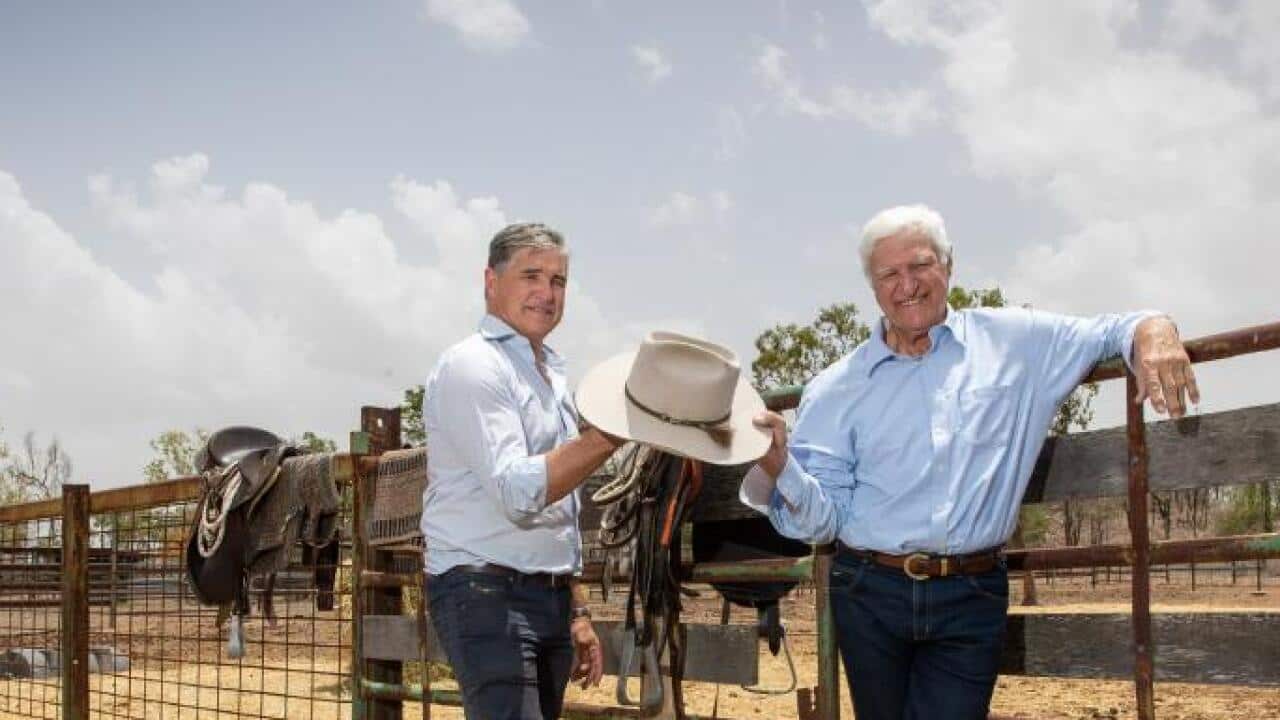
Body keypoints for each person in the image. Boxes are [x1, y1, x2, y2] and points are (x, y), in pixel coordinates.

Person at [741, 204, 1199, 720]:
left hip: (971, 589)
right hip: (869, 591)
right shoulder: (833, 388)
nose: (907, 284)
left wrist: (1156, 332)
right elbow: (824, 521)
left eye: (920, 265)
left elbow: (1114, 328)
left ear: (948, 265)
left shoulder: (1016, 342)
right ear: (872, 286)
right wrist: (782, 468)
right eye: (889, 273)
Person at [421, 222, 622, 720]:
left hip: (542, 592)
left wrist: (576, 609)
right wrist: (611, 436)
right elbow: (516, 490)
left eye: (558, 281)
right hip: (485, 590)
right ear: (491, 281)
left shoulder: (550, 373)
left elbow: (560, 506)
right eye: (531, 275)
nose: (546, 293)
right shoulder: (474, 366)